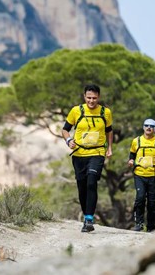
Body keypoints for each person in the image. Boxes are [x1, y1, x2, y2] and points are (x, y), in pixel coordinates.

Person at [62, 84, 113, 233]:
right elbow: (65, 129)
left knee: (92, 181)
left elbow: (109, 131)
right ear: (84, 97)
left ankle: (89, 219)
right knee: (82, 187)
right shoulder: (76, 111)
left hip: (97, 152)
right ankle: (86, 215)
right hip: (79, 154)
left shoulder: (106, 112)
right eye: (89, 98)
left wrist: (109, 147)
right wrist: (68, 140)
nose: (91, 101)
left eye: (95, 98)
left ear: (99, 97)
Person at [127, 118, 155, 232]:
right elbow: (131, 156)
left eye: (151, 126)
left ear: (154, 129)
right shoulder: (136, 141)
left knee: (151, 203)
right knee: (140, 198)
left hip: (154, 176)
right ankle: (138, 223)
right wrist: (131, 161)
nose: (148, 128)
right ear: (143, 127)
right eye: (146, 125)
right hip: (139, 175)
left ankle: (151, 227)